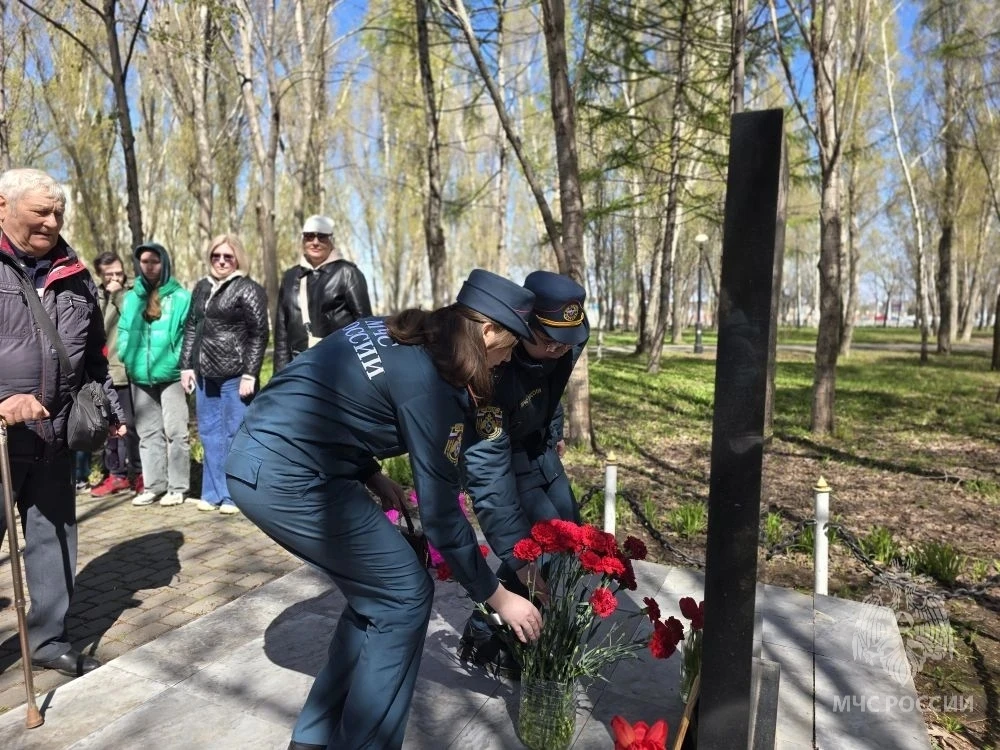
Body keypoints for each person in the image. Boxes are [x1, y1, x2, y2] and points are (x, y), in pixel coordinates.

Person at [225, 269, 544, 750]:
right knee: (404, 597)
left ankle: (313, 739)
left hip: (270, 455)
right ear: (486, 332)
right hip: (285, 477)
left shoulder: (399, 333)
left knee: (377, 598)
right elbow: (441, 517)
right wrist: (498, 597)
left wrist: (369, 472)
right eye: (508, 347)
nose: (505, 361)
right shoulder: (431, 386)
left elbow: (326, 401)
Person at [0, 167, 125, 677]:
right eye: (41, 212)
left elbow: (93, 356)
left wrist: (109, 409)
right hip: (2, 437)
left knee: (53, 540)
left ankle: (48, 640)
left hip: (52, 436)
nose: (52, 222)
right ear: (3, 207)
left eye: (59, 213)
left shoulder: (74, 274)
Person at [459, 270, 591, 677]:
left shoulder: (564, 341)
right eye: (547, 340)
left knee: (570, 536)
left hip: (540, 448)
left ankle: (528, 624)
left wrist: (554, 431)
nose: (557, 349)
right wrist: (518, 559)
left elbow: (552, 389)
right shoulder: (494, 365)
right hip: (503, 453)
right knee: (536, 550)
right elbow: (489, 477)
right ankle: (485, 630)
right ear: (523, 325)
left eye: (563, 341)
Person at [180, 234, 269, 515]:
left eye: (227, 256)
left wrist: (250, 373)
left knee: (235, 435)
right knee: (209, 434)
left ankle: (234, 496)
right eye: (215, 256)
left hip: (235, 376)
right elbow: (192, 327)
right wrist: (186, 366)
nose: (221, 261)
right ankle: (212, 493)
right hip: (205, 376)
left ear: (237, 259)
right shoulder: (202, 287)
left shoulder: (248, 288)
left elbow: (259, 334)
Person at [118, 242, 192, 507]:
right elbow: (124, 330)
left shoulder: (181, 297)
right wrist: (126, 355)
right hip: (140, 375)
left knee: (176, 432)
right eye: (144, 261)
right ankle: (154, 485)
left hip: (171, 375)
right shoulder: (132, 297)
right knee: (148, 433)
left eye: (154, 261)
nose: (149, 266)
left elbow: (189, 333)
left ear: (164, 263)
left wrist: (180, 361)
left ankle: (178, 487)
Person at [273, 214, 372, 372]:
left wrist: (364, 371)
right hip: (298, 366)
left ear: (331, 240)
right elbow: (282, 331)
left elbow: (365, 324)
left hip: (339, 367)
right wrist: (280, 374)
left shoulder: (347, 273)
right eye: (309, 236)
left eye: (322, 237)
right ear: (303, 240)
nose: (315, 242)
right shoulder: (290, 277)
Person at [90, 251, 143, 497]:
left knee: (131, 426)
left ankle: (140, 474)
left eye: (119, 273)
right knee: (108, 427)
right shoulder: (93, 294)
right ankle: (116, 475)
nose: (115, 279)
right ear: (100, 275)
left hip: (128, 370)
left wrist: (118, 295)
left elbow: (135, 320)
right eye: (109, 275)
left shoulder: (133, 292)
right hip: (104, 370)